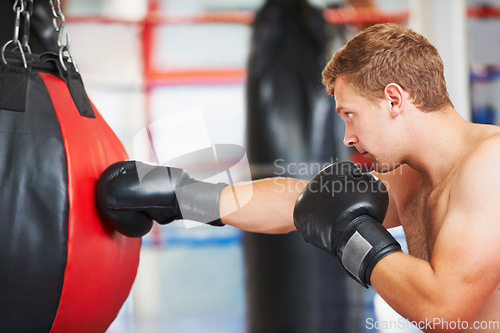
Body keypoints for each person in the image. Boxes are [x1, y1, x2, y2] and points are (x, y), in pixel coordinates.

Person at [96, 23, 500, 332]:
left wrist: (350, 236)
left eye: (350, 114)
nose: (348, 137)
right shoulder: (410, 176)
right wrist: (185, 196)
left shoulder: (489, 165)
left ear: (394, 100)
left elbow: (444, 310)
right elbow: (302, 202)